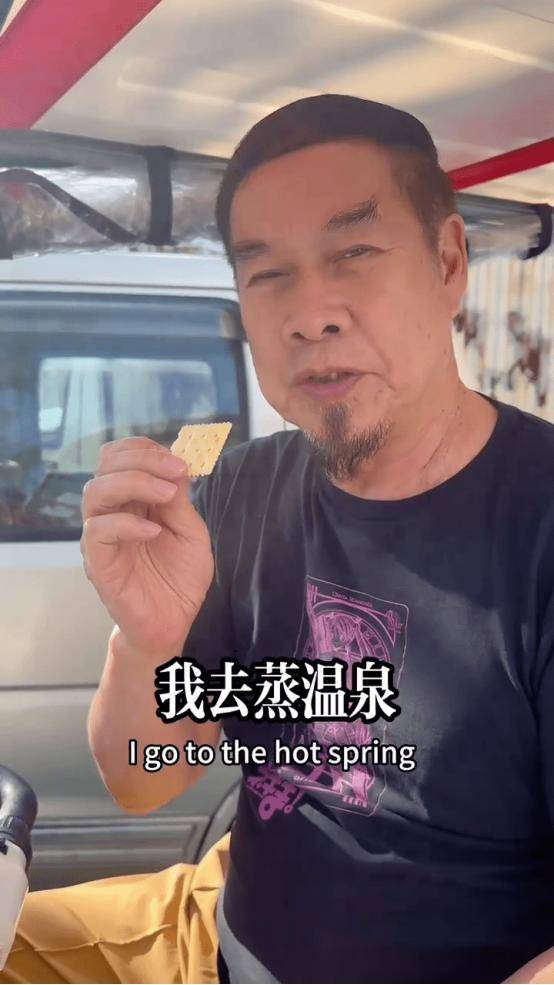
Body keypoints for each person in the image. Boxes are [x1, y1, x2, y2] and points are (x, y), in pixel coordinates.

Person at [1, 94, 553, 985]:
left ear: (449, 262)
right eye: (267, 274)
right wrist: (147, 641)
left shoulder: (538, 524)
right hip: (214, 933)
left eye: (354, 253)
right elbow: (146, 778)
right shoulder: (239, 488)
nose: (310, 313)